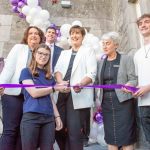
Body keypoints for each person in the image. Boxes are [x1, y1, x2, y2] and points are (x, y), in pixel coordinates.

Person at [0, 26, 44, 150]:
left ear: (40, 37)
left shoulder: (43, 53)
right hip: (13, 95)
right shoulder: (19, 48)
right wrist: (1, 84)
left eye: (36, 33)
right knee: (10, 130)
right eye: (31, 33)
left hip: (31, 98)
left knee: (23, 132)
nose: (33, 35)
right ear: (26, 36)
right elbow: (9, 69)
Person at [54, 25, 97, 150]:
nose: (74, 35)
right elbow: (57, 71)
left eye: (77, 33)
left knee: (74, 132)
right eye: (72, 33)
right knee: (58, 127)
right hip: (61, 93)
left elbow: (91, 73)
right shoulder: (64, 53)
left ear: (83, 36)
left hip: (78, 94)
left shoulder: (88, 51)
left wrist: (81, 84)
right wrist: (61, 82)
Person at [95, 31, 137, 150]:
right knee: (111, 137)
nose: (104, 46)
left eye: (107, 43)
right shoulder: (100, 62)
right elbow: (97, 83)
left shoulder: (126, 59)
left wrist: (129, 85)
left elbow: (134, 79)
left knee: (126, 137)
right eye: (103, 44)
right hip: (107, 104)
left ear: (116, 45)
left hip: (123, 103)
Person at [19, 43, 63, 150]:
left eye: (47, 55)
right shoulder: (26, 72)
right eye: (40, 53)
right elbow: (34, 93)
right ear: (34, 54)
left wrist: (57, 117)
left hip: (48, 118)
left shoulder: (49, 76)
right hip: (31, 117)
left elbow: (50, 98)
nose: (43, 57)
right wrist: (54, 88)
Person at [133, 13, 150, 144]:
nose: (143, 25)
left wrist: (148, 87)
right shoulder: (137, 53)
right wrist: (131, 88)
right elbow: (137, 78)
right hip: (143, 103)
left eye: (146, 22)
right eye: (140, 24)